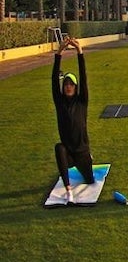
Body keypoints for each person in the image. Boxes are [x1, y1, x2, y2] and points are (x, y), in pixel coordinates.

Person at [51, 34, 92, 199]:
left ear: (75, 87)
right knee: (59, 148)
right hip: (68, 153)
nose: (68, 87)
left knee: (89, 180)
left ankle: (89, 159)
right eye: (66, 84)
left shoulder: (82, 101)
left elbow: (83, 77)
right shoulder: (59, 102)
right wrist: (59, 52)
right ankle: (68, 189)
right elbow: (54, 80)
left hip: (82, 152)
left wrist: (79, 51)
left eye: (71, 85)